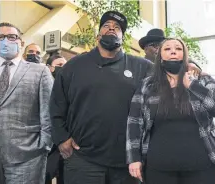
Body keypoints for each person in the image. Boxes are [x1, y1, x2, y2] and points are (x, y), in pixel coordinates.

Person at [50, 11, 153, 184]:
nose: (111, 29)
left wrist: (188, 66)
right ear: (98, 35)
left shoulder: (142, 67)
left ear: (123, 36)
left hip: (128, 162)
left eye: (117, 28)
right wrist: (61, 138)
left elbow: (169, 78)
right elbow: (56, 104)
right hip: (83, 159)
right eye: (106, 26)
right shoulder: (74, 66)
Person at [126, 38, 215, 184]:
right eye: (167, 49)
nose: (173, 51)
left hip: (201, 166)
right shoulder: (147, 85)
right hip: (158, 168)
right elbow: (134, 122)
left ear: (185, 55)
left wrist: (193, 86)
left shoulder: (201, 79)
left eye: (178, 49)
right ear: (160, 57)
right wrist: (134, 158)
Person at [0, 22, 53, 184]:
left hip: (27, 156)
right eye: (1, 37)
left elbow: (48, 112)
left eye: (11, 37)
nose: (5, 41)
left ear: (21, 43)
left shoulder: (39, 71)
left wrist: (43, 146)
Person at [45, 53, 67, 184]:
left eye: (65, 65)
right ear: (49, 68)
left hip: (66, 144)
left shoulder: (69, 86)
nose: (62, 68)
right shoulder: (44, 85)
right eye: (59, 65)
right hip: (48, 146)